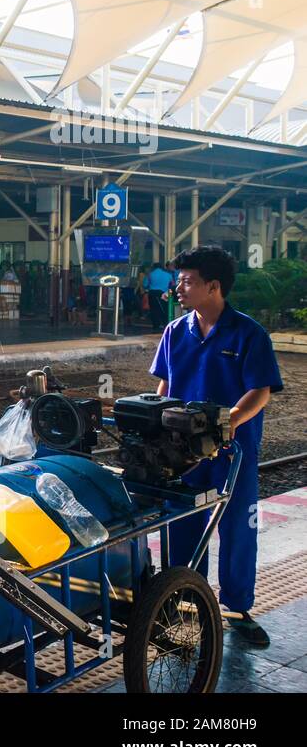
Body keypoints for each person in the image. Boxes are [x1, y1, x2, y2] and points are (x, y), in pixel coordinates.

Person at [149, 246, 283, 647]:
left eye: (188, 281)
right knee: (181, 523)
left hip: (232, 450)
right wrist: (154, 419)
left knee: (238, 527)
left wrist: (231, 423)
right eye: (179, 281)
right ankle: (182, 596)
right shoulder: (176, 331)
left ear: (214, 286)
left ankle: (237, 607)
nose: (179, 288)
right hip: (183, 451)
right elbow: (165, 386)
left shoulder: (248, 333)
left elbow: (260, 390)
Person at [144, 261, 174, 332]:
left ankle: (156, 326)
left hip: (153, 294)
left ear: (153, 267)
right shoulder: (168, 274)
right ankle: (165, 324)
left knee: (154, 310)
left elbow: (145, 284)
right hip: (165, 294)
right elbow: (173, 284)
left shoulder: (150, 274)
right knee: (165, 309)